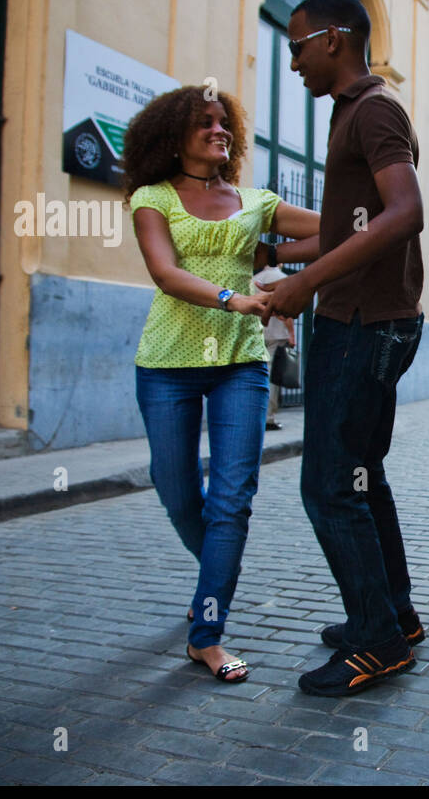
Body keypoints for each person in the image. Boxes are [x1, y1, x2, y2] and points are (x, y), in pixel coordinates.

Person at [125, 85, 320, 682]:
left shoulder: (255, 201)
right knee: (177, 488)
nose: (220, 131)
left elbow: (341, 227)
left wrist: (275, 251)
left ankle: (206, 632)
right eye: (204, 123)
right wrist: (238, 296)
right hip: (167, 363)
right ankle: (215, 571)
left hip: (240, 364)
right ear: (173, 136)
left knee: (232, 501)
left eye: (224, 123)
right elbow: (166, 272)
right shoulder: (151, 199)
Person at [262, 0, 426, 697]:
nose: (291, 58)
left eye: (297, 44)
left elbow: (406, 213)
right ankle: (393, 615)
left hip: (365, 326)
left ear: (334, 38)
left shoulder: (375, 109)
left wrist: (306, 287)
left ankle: (377, 644)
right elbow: (350, 228)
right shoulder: (353, 111)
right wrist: (277, 251)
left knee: (330, 485)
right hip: (365, 320)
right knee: (363, 475)